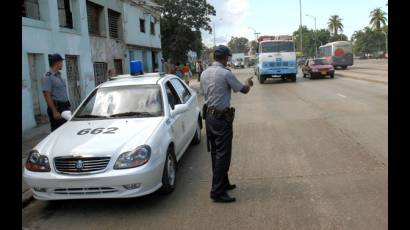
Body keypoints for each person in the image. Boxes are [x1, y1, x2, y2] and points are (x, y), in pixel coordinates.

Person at [200, 45, 253, 203]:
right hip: (221, 119)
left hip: (209, 117)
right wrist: (248, 83)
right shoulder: (225, 73)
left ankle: (223, 183)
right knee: (224, 154)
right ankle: (217, 191)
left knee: (216, 153)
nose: (229, 59)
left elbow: (205, 92)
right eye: (228, 57)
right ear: (225, 58)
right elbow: (243, 90)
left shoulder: (204, 73)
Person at [42, 54, 71, 132]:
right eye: (61, 62)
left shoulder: (59, 76)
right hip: (57, 108)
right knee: (57, 131)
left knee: (66, 130)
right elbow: (46, 94)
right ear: (57, 63)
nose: (62, 64)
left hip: (65, 106)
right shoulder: (48, 77)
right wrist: (54, 111)